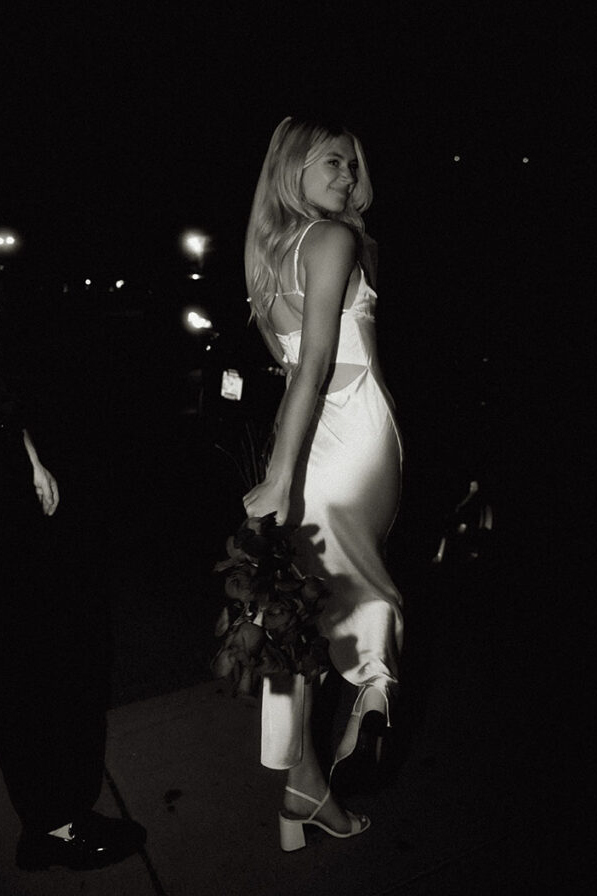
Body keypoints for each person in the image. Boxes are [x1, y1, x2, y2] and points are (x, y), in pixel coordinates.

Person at [0, 128, 146, 870]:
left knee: (36, 647)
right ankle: (54, 825)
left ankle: (52, 816)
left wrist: (26, 451)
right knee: (23, 656)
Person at [243, 116, 403, 851]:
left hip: (306, 440)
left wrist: (282, 462)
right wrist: (281, 476)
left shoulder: (268, 253)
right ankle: (372, 691)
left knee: (297, 624)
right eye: (332, 160)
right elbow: (313, 365)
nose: (347, 173)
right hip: (351, 439)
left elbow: (289, 373)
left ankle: (303, 792)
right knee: (365, 592)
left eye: (354, 161)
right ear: (292, 168)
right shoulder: (333, 241)